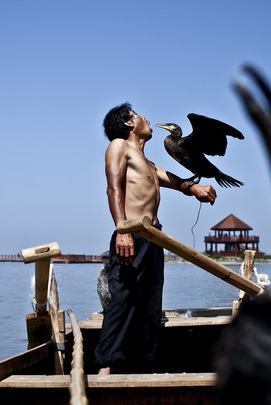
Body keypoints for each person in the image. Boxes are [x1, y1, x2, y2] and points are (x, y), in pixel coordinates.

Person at [95, 102, 217, 375]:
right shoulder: (119, 147)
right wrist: (123, 229)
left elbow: (174, 181)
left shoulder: (148, 162)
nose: (146, 119)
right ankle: (106, 365)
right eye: (139, 116)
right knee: (123, 298)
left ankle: (142, 363)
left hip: (154, 238)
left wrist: (195, 187)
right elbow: (112, 188)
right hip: (132, 233)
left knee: (150, 303)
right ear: (129, 123)